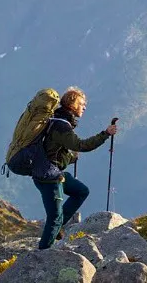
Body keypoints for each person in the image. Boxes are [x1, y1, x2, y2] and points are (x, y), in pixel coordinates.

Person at [35, 86, 118, 249]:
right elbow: (82, 145)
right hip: (49, 178)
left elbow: (53, 149)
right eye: (82, 104)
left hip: (52, 172)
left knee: (81, 191)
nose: (84, 107)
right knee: (54, 217)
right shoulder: (62, 126)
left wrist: (71, 157)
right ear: (72, 105)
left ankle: (57, 228)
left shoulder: (56, 121)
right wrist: (106, 134)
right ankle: (41, 255)